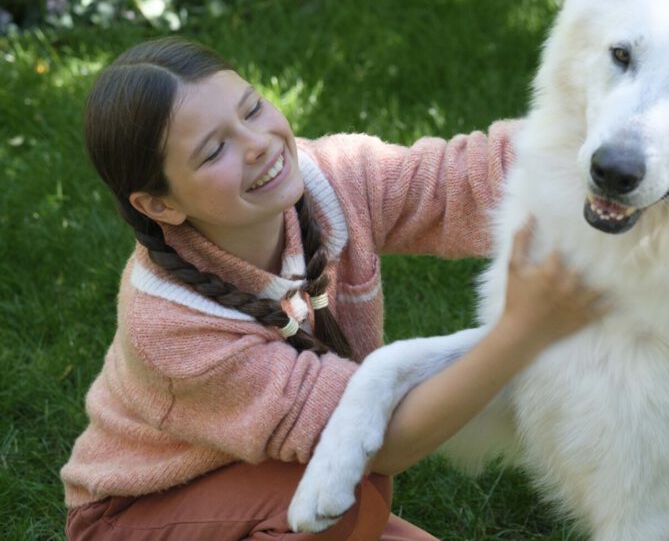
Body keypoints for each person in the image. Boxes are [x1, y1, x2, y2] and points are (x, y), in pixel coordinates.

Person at [61, 37, 607, 540]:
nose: (256, 144)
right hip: (140, 514)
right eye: (213, 150)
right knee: (342, 497)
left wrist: (603, 128)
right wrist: (521, 334)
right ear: (160, 205)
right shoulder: (171, 326)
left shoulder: (336, 177)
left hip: (266, 481)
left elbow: (461, 181)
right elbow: (375, 445)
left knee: (343, 500)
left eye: (251, 108)